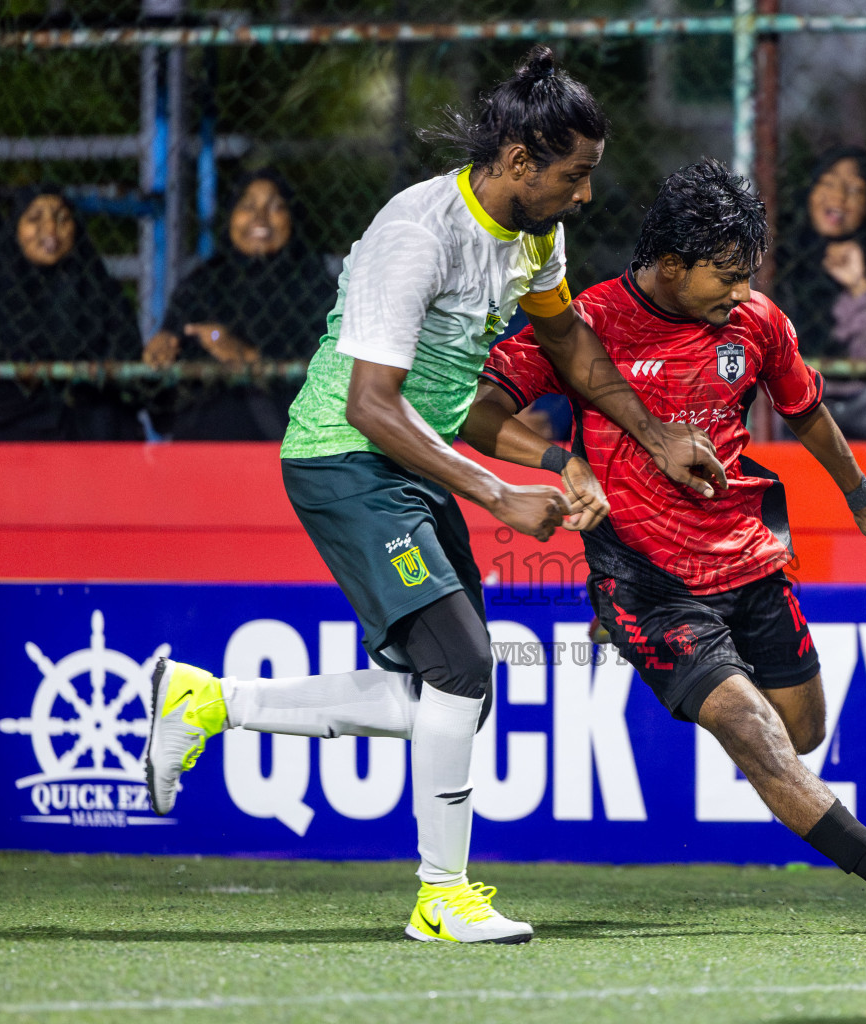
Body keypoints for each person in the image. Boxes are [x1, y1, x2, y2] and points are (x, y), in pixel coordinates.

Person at [142, 47, 725, 945]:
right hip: (346, 459)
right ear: (521, 163)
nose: (586, 197)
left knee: (444, 690)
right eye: (575, 177)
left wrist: (646, 441)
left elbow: (568, 347)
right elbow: (370, 405)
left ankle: (209, 703)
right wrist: (499, 492)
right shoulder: (414, 234)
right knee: (461, 665)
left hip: (410, 466)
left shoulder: (535, 234)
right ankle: (440, 895)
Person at [463, 160, 866, 937]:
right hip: (647, 578)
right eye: (725, 276)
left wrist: (860, 497)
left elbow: (806, 411)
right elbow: (477, 410)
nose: (740, 292)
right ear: (671, 265)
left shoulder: (756, 322)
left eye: (747, 274)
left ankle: (673, 661)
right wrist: (561, 462)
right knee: (754, 735)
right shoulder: (583, 323)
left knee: (801, 733)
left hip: (749, 558)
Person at [141, 168, 336, 440]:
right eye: (247, 206)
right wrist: (160, 353)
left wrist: (249, 357)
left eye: (275, 206)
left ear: (293, 218)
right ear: (230, 216)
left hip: (286, 449)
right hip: (199, 453)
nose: (259, 218)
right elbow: (161, 409)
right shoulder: (201, 284)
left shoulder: (316, 288)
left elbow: (331, 388)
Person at [0, 187, 143, 441]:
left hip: (85, 424)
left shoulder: (101, 290)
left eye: (62, 218)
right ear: (15, 229)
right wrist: (22, 383)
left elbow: (128, 370)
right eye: (35, 218)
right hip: (12, 423)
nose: (50, 230)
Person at [777, 147, 866, 440]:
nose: (839, 196)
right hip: (790, 429)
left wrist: (860, 288)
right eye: (828, 182)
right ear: (810, 191)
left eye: (854, 189)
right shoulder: (780, 264)